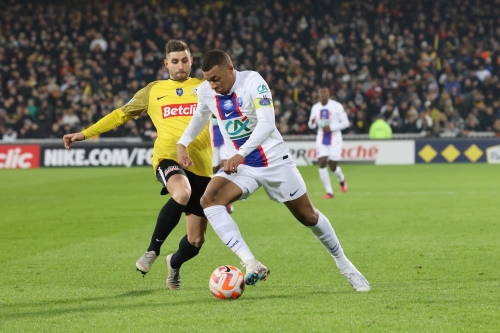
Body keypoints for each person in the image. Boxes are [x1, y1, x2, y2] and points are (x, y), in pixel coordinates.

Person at [177, 50, 370, 292]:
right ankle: (251, 263)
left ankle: (345, 265)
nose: (212, 84)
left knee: (308, 216)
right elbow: (200, 117)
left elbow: (268, 123)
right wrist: (182, 143)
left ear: (230, 68)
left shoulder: (253, 82)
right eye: (208, 79)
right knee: (210, 200)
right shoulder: (207, 91)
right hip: (245, 166)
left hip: (275, 162)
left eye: (216, 78)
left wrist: (240, 152)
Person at [63, 40, 212, 290]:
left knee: (196, 241)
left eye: (184, 60)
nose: (180, 66)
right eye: (174, 61)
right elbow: (120, 114)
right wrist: (85, 133)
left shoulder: (205, 87)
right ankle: (152, 251)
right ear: (166, 63)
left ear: (191, 61)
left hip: (202, 165)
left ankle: (173, 263)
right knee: (182, 191)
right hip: (168, 157)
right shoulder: (153, 91)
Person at [308, 88, 349, 199]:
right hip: (321, 137)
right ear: (319, 95)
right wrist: (312, 123)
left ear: (328, 95)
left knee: (333, 166)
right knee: (321, 162)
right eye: (321, 94)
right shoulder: (315, 107)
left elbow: (346, 123)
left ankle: (341, 179)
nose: (323, 96)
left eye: (325, 94)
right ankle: (329, 192)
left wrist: (331, 128)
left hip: (334, 138)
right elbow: (311, 125)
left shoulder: (336, 106)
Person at [209, 115, 234, 213]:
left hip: (225, 138)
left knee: (226, 166)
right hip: (211, 139)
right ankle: (215, 197)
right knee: (213, 170)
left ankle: (226, 200)